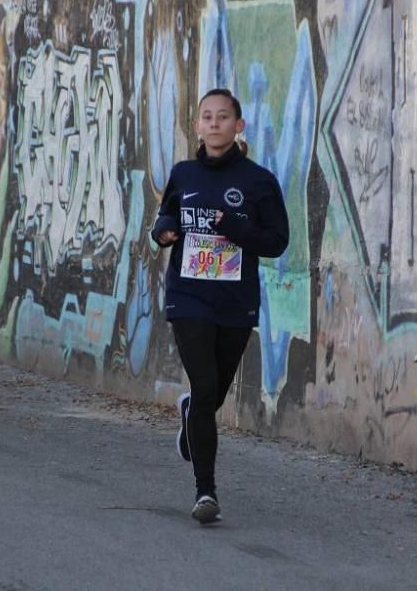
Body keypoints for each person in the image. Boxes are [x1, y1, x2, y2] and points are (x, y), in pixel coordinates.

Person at [151, 88, 289, 524]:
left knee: (214, 390)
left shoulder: (258, 181)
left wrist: (235, 228)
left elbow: (277, 241)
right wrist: (164, 233)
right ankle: (205, 491)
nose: (214, 123)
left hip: (234, 301)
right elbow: (166, 216)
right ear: (197, 125)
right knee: (206, 383)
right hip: (188, 296)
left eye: (223, 117)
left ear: (238, 125)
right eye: (206, 117)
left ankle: (193, 414)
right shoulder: (184, 173)